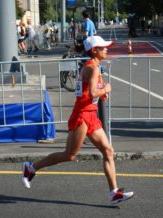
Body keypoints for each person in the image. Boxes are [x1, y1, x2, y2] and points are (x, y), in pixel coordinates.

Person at [21, 35, 134, 205]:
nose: (106, 49)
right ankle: (31, 168)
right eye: (103, 47)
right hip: (82, 115)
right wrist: (105, 89)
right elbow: (93, 93)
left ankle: (114, 192)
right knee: (70, 155)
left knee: (108, 151)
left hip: (91, 114)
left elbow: (87, 92)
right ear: (94, 50)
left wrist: (101, 92)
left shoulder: (94, 65)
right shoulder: (92, 68)